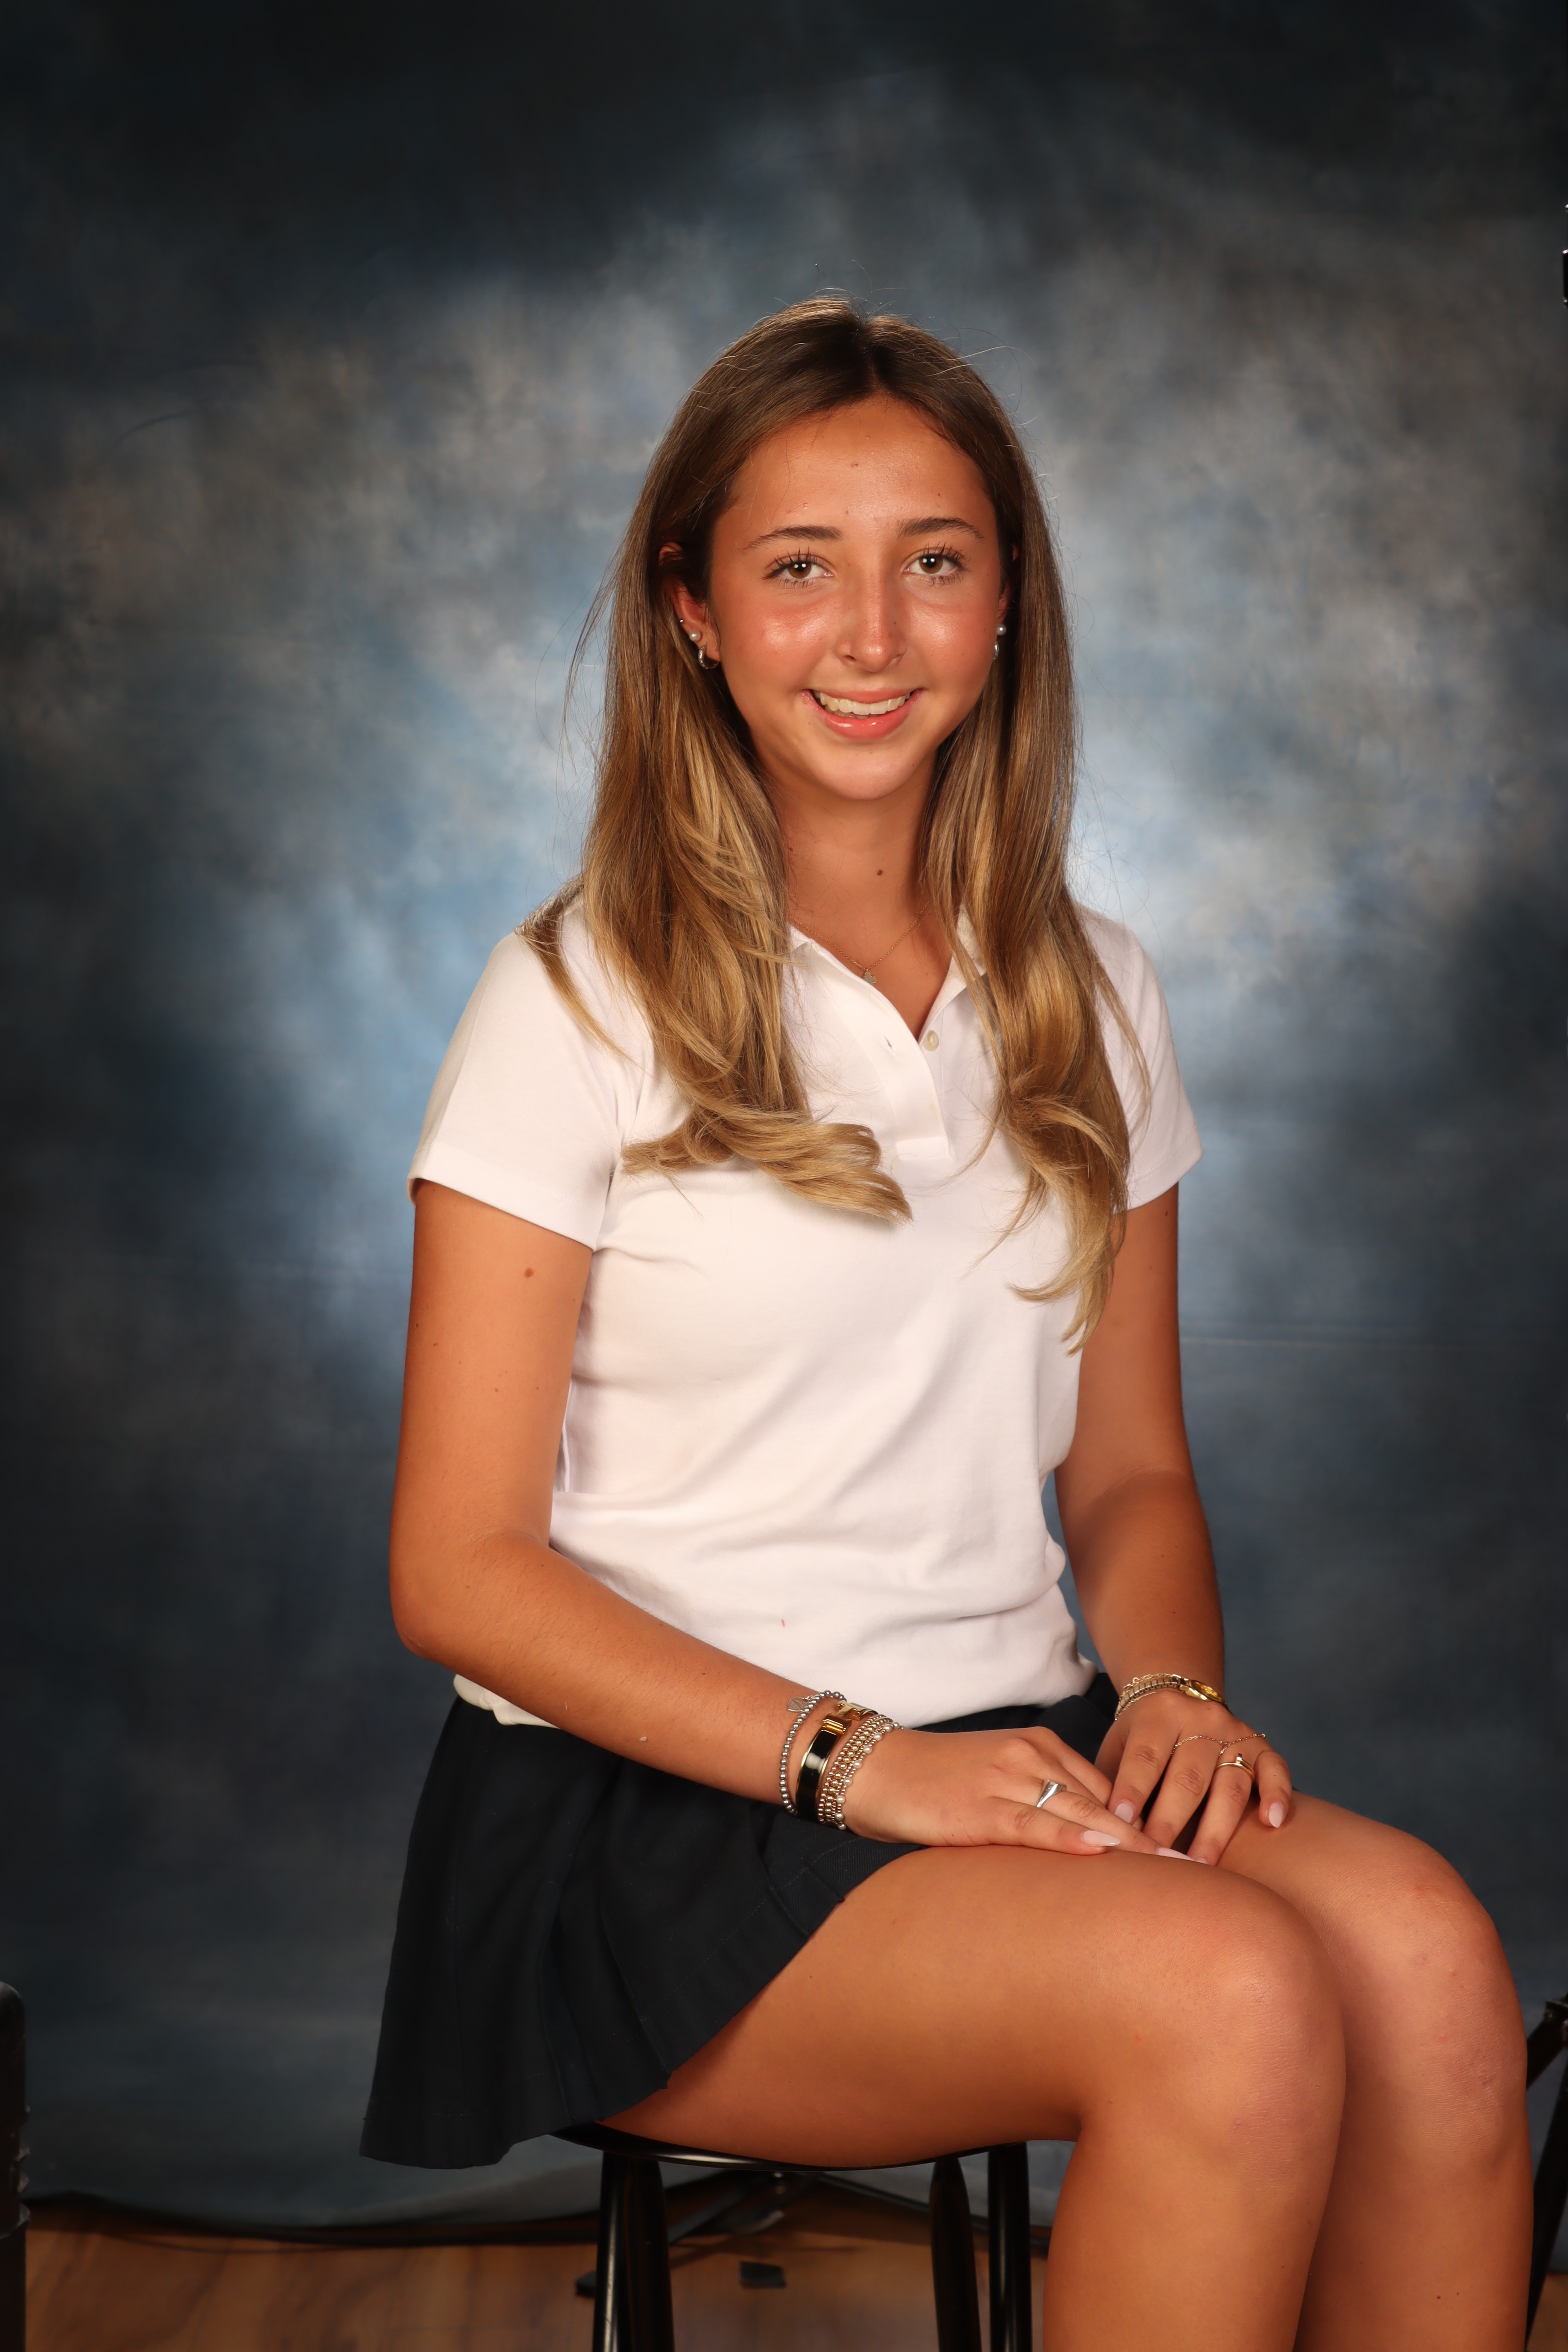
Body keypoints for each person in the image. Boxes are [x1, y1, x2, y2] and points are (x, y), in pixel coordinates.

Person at [362, 300, 1531, 2349]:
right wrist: (859, 1762)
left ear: (1006, 604)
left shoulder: (1092, 986)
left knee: (1428, 1957)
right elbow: (456, 1572)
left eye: (932, 560)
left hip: (1017, 1754)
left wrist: (1170, 1690)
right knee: (1231, 1996)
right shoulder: (569, 1000)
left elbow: (1131, 1473)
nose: (872, 635)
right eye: (798, 566)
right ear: (694, 612)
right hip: (659, 1819)